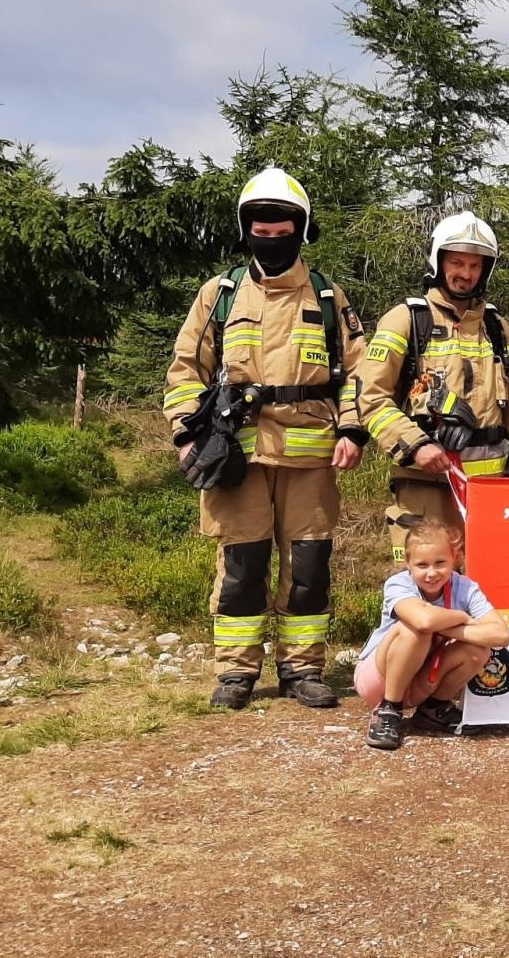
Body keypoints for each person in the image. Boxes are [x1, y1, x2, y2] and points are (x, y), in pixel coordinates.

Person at [164, 167, 367, 710]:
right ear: (246, 229)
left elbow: (359, 373)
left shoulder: (327, 295)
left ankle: (302, 669)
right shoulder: (221, 294)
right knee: (241, 566)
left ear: (301, 230)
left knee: (308, 568)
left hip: (311, 456)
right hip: (237, 455)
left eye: (282, 230)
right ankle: (236, 673)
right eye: (262, 228)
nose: (272, 239)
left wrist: (353, 428)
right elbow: (186, 370)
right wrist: (187, 433)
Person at [357, 212, 509, 561]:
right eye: (456, 262)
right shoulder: (407, 320)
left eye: (474, 265)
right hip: (425, 485)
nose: (465, 273)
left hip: (490, 491)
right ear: (439, 260)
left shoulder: (497, 327)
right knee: (423, 586)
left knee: (487, 584)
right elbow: (372, 399)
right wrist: (416, 446)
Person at [356, 520, 509, 750]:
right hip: (379, 679)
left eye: (440, 563)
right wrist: (460, 615)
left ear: (454, 559)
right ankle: (388, 710)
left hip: (425, 676)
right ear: (408, 563)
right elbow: (423, 620)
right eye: (421, 565)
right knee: (414, 631)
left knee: (478, 649)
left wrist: (450, 628)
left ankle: (433, 709)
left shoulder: (466, 587)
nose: (431, 573)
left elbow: (501, 635)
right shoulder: (398, 583)